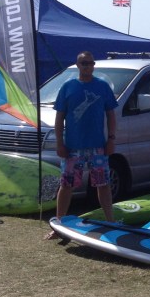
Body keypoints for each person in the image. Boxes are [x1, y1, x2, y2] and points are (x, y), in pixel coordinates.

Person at [45, 52, 118, 240]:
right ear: (77, 65)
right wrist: (60, 143)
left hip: (97, 147)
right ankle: (59, 226)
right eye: (84, 63)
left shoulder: (102, 86)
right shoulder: (68, 87)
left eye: (91, 63)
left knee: (103, 184)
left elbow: (111, 114)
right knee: (67, 185)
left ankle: (110, 221)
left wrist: (111, 139)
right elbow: (59, 117)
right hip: (73, 147)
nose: (88, 66)